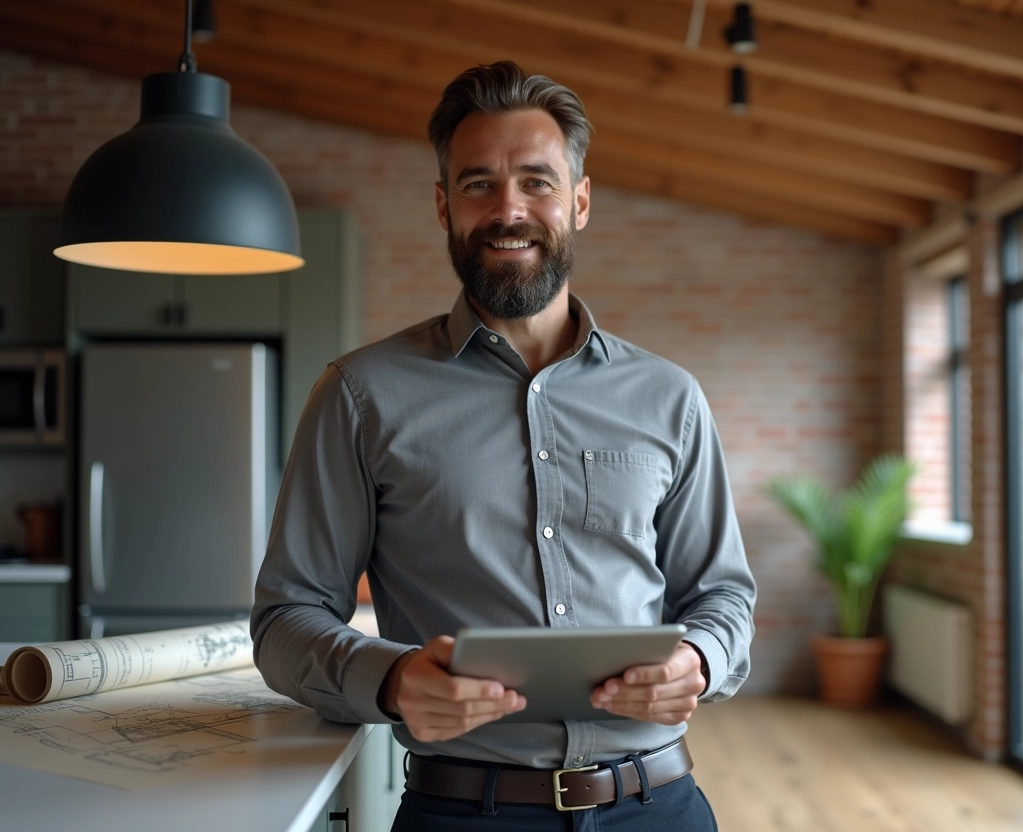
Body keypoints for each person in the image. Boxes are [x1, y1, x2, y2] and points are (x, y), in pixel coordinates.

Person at [251, 60, 756, 831]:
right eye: (479, 183)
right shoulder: (359, 395)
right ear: (443, 204)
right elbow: (287, 617)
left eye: (537, 181)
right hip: (461, 812)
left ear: (580, 201)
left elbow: (723, 596)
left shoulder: (669, 397)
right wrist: (390, 681)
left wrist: (700, 660)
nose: (508, 208)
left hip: (661, 805)